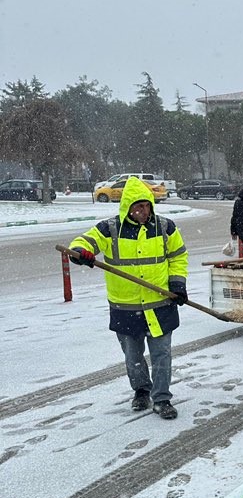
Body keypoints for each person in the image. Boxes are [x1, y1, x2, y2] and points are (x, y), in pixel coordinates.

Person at [68, 177, 189, 419]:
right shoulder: (110, 229)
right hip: (125, 306)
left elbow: (178, 256)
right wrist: (80, 252)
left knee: (162, 355)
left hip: (160, 304)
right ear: (127, 207)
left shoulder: (165, 227)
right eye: (138, 206)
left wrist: (177, 283)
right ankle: (141, 390)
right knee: (133, 357)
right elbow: (83, 242)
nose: (143, 211)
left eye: (146, 206)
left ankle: (162, 398)